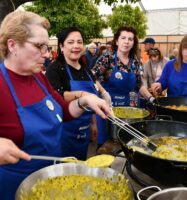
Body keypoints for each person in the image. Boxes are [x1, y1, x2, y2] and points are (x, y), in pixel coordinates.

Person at [0, 11, 111, 200]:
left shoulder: (39, 77)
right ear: (12, 45)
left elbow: (64, 110)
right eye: (39, 46)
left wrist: (85, 101)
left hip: (51, 180)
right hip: (14, 187)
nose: (46, 53)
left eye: (46, 46)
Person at [46, 27, 111, 160]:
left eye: (79, 42)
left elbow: (93, 91)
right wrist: (82, 94)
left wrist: (93, 123)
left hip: (84, 129)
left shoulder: (85, 68)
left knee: (80, 165)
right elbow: (57, 95)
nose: (76, 46)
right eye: (70, 42)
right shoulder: (55, 68)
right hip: (63, 131)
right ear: (61, 46)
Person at [92, 26, 153, 146]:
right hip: (108, 110)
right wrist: (104, 93)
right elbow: (92, 78)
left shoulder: (135, 61)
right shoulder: (107, 58)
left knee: (128, 146)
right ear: (117, 41)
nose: (127, 41)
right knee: (107, 147)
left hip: (129, 112)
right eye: (123, 38)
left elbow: (139, 84)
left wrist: (151, 98)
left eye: (130, 39)